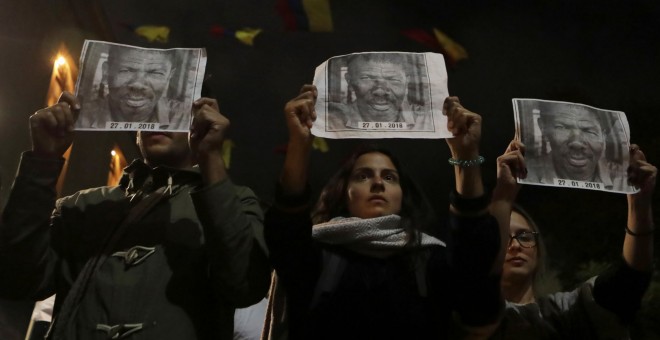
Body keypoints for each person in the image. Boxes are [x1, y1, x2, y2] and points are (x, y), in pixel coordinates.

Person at [0, 92, 271, 339]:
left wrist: (211, 158)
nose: (157, 117)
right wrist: (43, 160)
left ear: (201, 120)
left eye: (174, 107)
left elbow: (244, 285)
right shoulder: (82, 206)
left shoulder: (233, 201)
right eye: (145, 107)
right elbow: (16, 280)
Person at [263, 84, 507, 339]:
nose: (378, 182)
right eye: (363, 175)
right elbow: (286, 230)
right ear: (344, 193)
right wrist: (299, 145)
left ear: (403, 196)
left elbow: (475, 267)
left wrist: (465, 153)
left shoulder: (428, 260)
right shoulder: (318, 256)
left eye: (390, 177)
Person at [490, 140, 655, 339]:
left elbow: (629, 280)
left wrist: (639, 202)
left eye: (524, 236)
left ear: (538, 249)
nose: (515, 245)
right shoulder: (464, 319)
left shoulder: (574, 311)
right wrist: (503, 196)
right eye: (503, 238)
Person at [76, 45, 188, 130]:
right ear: (106, 72)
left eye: (155, 73)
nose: (138, 85)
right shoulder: (79, 117)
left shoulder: (187, 117)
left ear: (169, 77)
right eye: (126, 70)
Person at [526, 102, 626, 191]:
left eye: (589, 131)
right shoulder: (525, 173)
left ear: (603, 136)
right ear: (543, 129)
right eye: (562, 127)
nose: (577, 143)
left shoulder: (624, 179)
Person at [327, 53, 433, 131]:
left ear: (407, 82)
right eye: (367, 78)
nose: (380, 91)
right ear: (349, 82)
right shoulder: (331, 120)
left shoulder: (427, 119)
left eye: (393, 79)